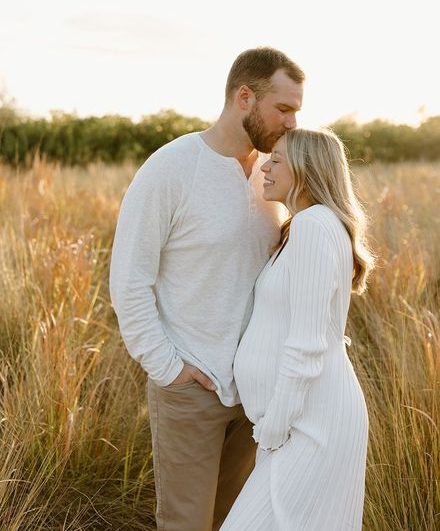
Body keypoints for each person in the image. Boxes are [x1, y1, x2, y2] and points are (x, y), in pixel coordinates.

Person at [109, 47, 305, 531]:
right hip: (191, 387)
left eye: (297, 110)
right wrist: (169, 368)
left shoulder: (274, 176)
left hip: (255, 392)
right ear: (245, 97)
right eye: (283, 109)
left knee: (237, 522)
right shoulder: (170, 169)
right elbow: (129, 282)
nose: (293, 123)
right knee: (186, 523)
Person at [221, 127, 375, 531]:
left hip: (309, 425)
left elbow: (308, 343)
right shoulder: (304, 226)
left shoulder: (314, 226)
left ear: (306, 169)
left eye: (276, 159)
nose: (264, 166)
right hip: (296, 422)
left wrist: (273, 426)